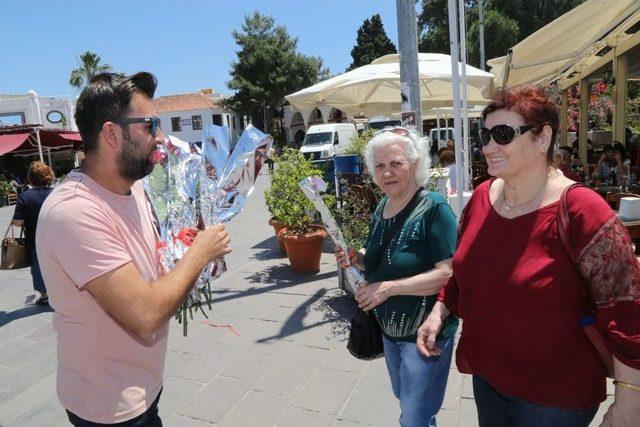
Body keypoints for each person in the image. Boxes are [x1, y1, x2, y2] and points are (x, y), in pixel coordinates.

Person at [417, 85, 640, 427]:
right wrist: (439, 310)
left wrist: (629, 403)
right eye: (485, 134)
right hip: (488, 379)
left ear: (542, 138)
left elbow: (626, 312)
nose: (488, 146)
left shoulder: (582, 210)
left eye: (503, 134)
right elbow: (464, 272)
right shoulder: (480, 198)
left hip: (555, 397)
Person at [36, 72, 231, 426]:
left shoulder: (135, 188)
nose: (160, 136)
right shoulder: (75, 212)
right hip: (109, 407)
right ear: (112, 133)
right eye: (150, 125)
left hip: (143, 387)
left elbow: (148, 264)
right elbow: (144, 315)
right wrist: (199, 252)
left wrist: (185, 240)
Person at [336, 127, 458, 427]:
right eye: (379, 166)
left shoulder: (434, 208)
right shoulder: (382, 206)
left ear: (414, 165)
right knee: (407, 401)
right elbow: (379, 261)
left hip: (424, 335)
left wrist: (389, 288)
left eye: (396, 163)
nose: (387, 172)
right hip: (388, 333)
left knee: (414, 416)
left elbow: (449, 273)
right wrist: (356, 259)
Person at [11, 161, 55, 304]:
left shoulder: (25, 196)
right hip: (58, 238)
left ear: (30, 178)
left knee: (38, 268)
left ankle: (44, 295)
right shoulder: (56, 193)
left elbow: (18, 223)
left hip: (35, 240)